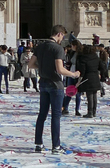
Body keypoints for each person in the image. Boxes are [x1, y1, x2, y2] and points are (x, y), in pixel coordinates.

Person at [29, 25, 80, 154]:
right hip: (55, 84)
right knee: (55, 116)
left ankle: (38, 144)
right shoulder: (58, 48)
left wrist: (43, 68)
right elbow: (60, 69)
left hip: (43, 83)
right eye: (62, 36)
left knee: (42, 114)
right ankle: (56, 146)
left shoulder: (40, 46)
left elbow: (30, 64)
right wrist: (74, 74)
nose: (62, 39)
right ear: (59, 34)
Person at [76, 44, 102, 119]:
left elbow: (82, 70)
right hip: (95, 76)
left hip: (88, 77)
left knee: (89, 95)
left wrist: (79, 80)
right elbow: (101, 66)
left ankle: (90, 112)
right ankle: (94, 111)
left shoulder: (83, 58)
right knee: (94, 95)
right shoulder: (96, 57)